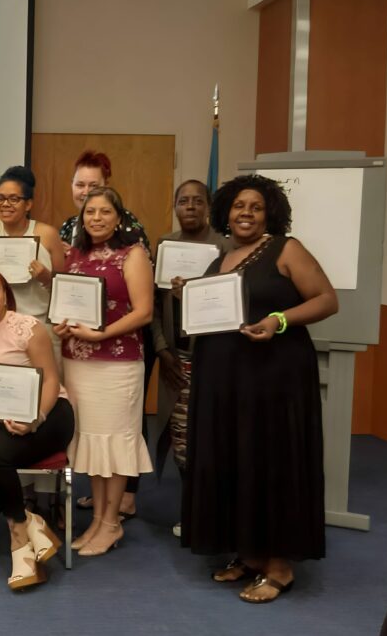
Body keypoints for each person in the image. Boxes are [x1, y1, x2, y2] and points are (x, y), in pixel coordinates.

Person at [182, 174, 337, 603]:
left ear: (270, 213)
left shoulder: (286, 249)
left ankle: (280, 567)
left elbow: (327, 299)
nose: (245, 213)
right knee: (235, 458)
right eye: (238, 206)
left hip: (274, 377)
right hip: (225, 379)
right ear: (226, 212)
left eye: (255, 207)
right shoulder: (222, 259)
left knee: (271, 460)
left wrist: (279, 320)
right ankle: (249, 553)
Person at [0, 266, 75, 591]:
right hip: (0, 419)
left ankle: (19, 542)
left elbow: (50, 379)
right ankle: (25, 520)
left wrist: (37, 417)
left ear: (6, 294)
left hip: (49, 414)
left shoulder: (29, 327)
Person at [53, 186, 154, 557]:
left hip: (118, 362)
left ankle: (112, 523)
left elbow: (143, 312)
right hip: (78, 362)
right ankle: (98, 519)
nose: (96, 218)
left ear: (119, 217)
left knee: (115, 442)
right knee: (93, 442)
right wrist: (63, 326)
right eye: (90, 212)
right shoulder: (76, 255)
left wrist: (101, 334)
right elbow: (67, 302)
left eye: (104, 212)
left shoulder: (133, 254)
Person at [149, 180, 231, 536]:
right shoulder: (164, 246)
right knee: (181, 438)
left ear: (209, 206)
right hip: (176, 356)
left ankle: (215, 512)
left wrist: (195, 293)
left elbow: (231, 306)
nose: (191, 207)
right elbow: (152, 307)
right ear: (175, 205)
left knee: (214, 436)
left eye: (199, 201)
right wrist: (162, 349)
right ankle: (192, 510)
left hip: (214, 358)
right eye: (184, 201)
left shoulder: (226, 248)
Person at [0, 165, 65, 332]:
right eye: (0, 198)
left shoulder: (48, 234)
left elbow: (64, 290)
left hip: (38, 325)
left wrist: (46, 278)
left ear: (28, 204)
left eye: (14, 199)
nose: (5, 204)